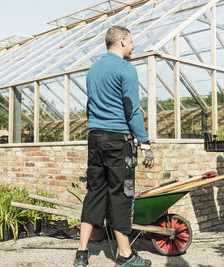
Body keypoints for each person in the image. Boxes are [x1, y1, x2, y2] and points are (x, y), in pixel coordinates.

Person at [74, 25, 154, 267]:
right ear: (121, 41)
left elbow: (89, 109)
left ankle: (81, 253)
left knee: (95, 192)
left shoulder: (93, 70)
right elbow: (131, 110)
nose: (132, 46)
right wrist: (145, 142)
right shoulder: (126, 69)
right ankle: (126, 255)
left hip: (95, 138)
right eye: (130, 41)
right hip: (118, 140)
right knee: (121, 194)